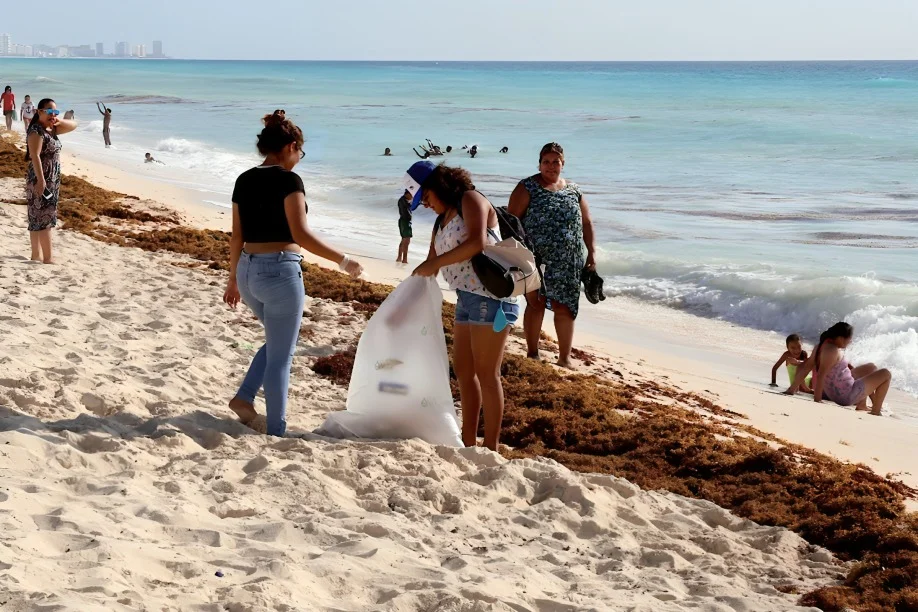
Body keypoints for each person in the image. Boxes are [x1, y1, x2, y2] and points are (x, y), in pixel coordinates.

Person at [223, 111, 363, 437]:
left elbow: (236, 236)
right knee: (281, 357)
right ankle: (276, 430)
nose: (299, 158)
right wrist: (344, 261)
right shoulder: (289, 181)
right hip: (280, 274)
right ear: (289, 146)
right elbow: (301, 234)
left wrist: (233, 280)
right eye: (300, 151)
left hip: (247, 274)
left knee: (277, 340)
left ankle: (244, 398)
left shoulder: (244, 179)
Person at [408, 161, 520, 451]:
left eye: (426, 197)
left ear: (436, 187)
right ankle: (469, 441)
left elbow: (476, 243)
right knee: (463, 371)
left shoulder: (471, 199)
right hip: (465, 297)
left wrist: (434, 262)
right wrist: (404, 299)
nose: (426, 205)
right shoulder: (440, 220)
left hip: (492, 297)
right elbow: (429, 265)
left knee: (487, 373)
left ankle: (491, 447)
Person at [509, 142, 596, 368]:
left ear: (563, 164)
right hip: (535, 259)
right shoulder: (527, 187)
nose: (550, 166)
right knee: (536, 303)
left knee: (565, 306)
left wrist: (591, 254)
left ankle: (564, 358)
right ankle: (532, 353)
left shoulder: (574, 190)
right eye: (546, 162)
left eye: (555, 162)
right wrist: (515, 257)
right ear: (539, 164)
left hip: (569, 261)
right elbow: (511, 223)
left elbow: (586, 222)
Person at [787, 322, 891, 415]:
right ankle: (876, 410)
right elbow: (820, 376)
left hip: (834, 391)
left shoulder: (820, 347)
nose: (850, 342)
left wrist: (791, 390)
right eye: (849, 339)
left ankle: (863, 405)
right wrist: (817, 400)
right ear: (841, 338)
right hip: (847, 395)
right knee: (886, 374)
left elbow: (806, 368)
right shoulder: (832, 351)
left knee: (871, 367)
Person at [24, 99, 78, 263]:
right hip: (42, 178)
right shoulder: (36, 131)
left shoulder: (50, 129)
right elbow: (35, 156)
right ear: (38, 111)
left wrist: (56, 119)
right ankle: (47, 258)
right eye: (49, 111)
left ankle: (36, 256)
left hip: (50, 179)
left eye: (55, 112)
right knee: (44, 217)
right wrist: (41, 181)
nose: (52, 115)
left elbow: (74, 125)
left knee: (36, 216)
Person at [396, 189, 412, 264]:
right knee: (407, 240)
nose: (412, 197)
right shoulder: (403, 201)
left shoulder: (402, 200)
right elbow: (407, 210)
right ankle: (404, 259)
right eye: (411, 195)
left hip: (403, 221)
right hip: (405, 221)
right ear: (407, 194)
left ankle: (399, 258)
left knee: (404, 239)